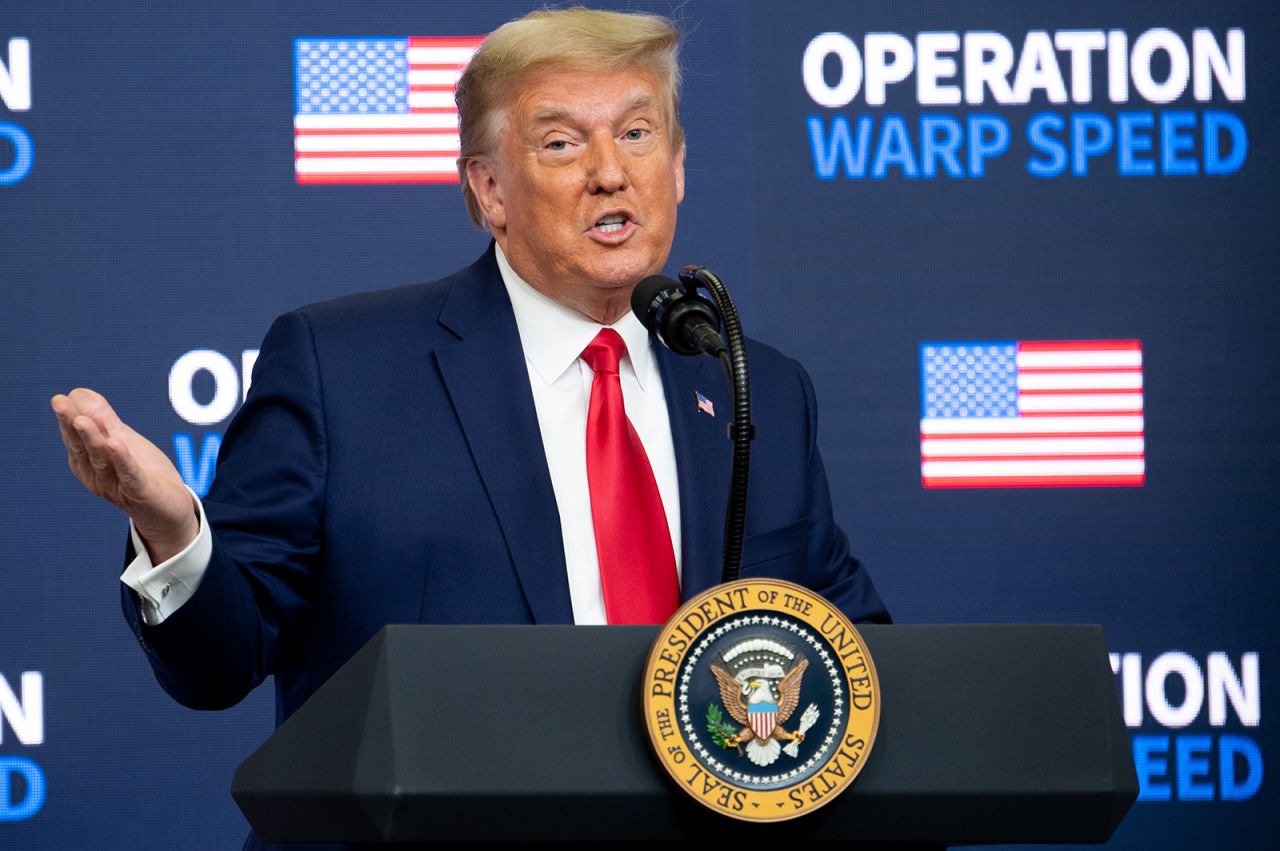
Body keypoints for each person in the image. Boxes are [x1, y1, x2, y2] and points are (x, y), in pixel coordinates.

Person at [52, 7, 887, 730]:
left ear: (675, 168)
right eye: (562, 142)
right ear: (489, 191)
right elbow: (222, 661)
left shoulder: (756, 389)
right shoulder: (341, 370)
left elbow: (857, 661)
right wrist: (174, 533)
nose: (609, 171)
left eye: (637, 134)